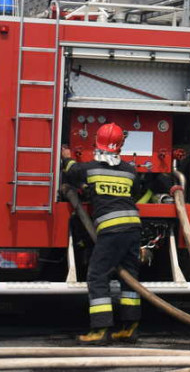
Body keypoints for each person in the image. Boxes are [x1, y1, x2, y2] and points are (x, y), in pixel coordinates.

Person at [61, 123, 143, 345]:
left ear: (96, 142)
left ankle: (100, 329)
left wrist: (66, 155)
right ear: (121, 145)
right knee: (130, 278)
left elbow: (70, 172)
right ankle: (129, 328)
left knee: (98, 276)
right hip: (133, 228)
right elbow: (137, 192)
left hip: (111, 230)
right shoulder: (129, 171)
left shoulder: (90, 169)